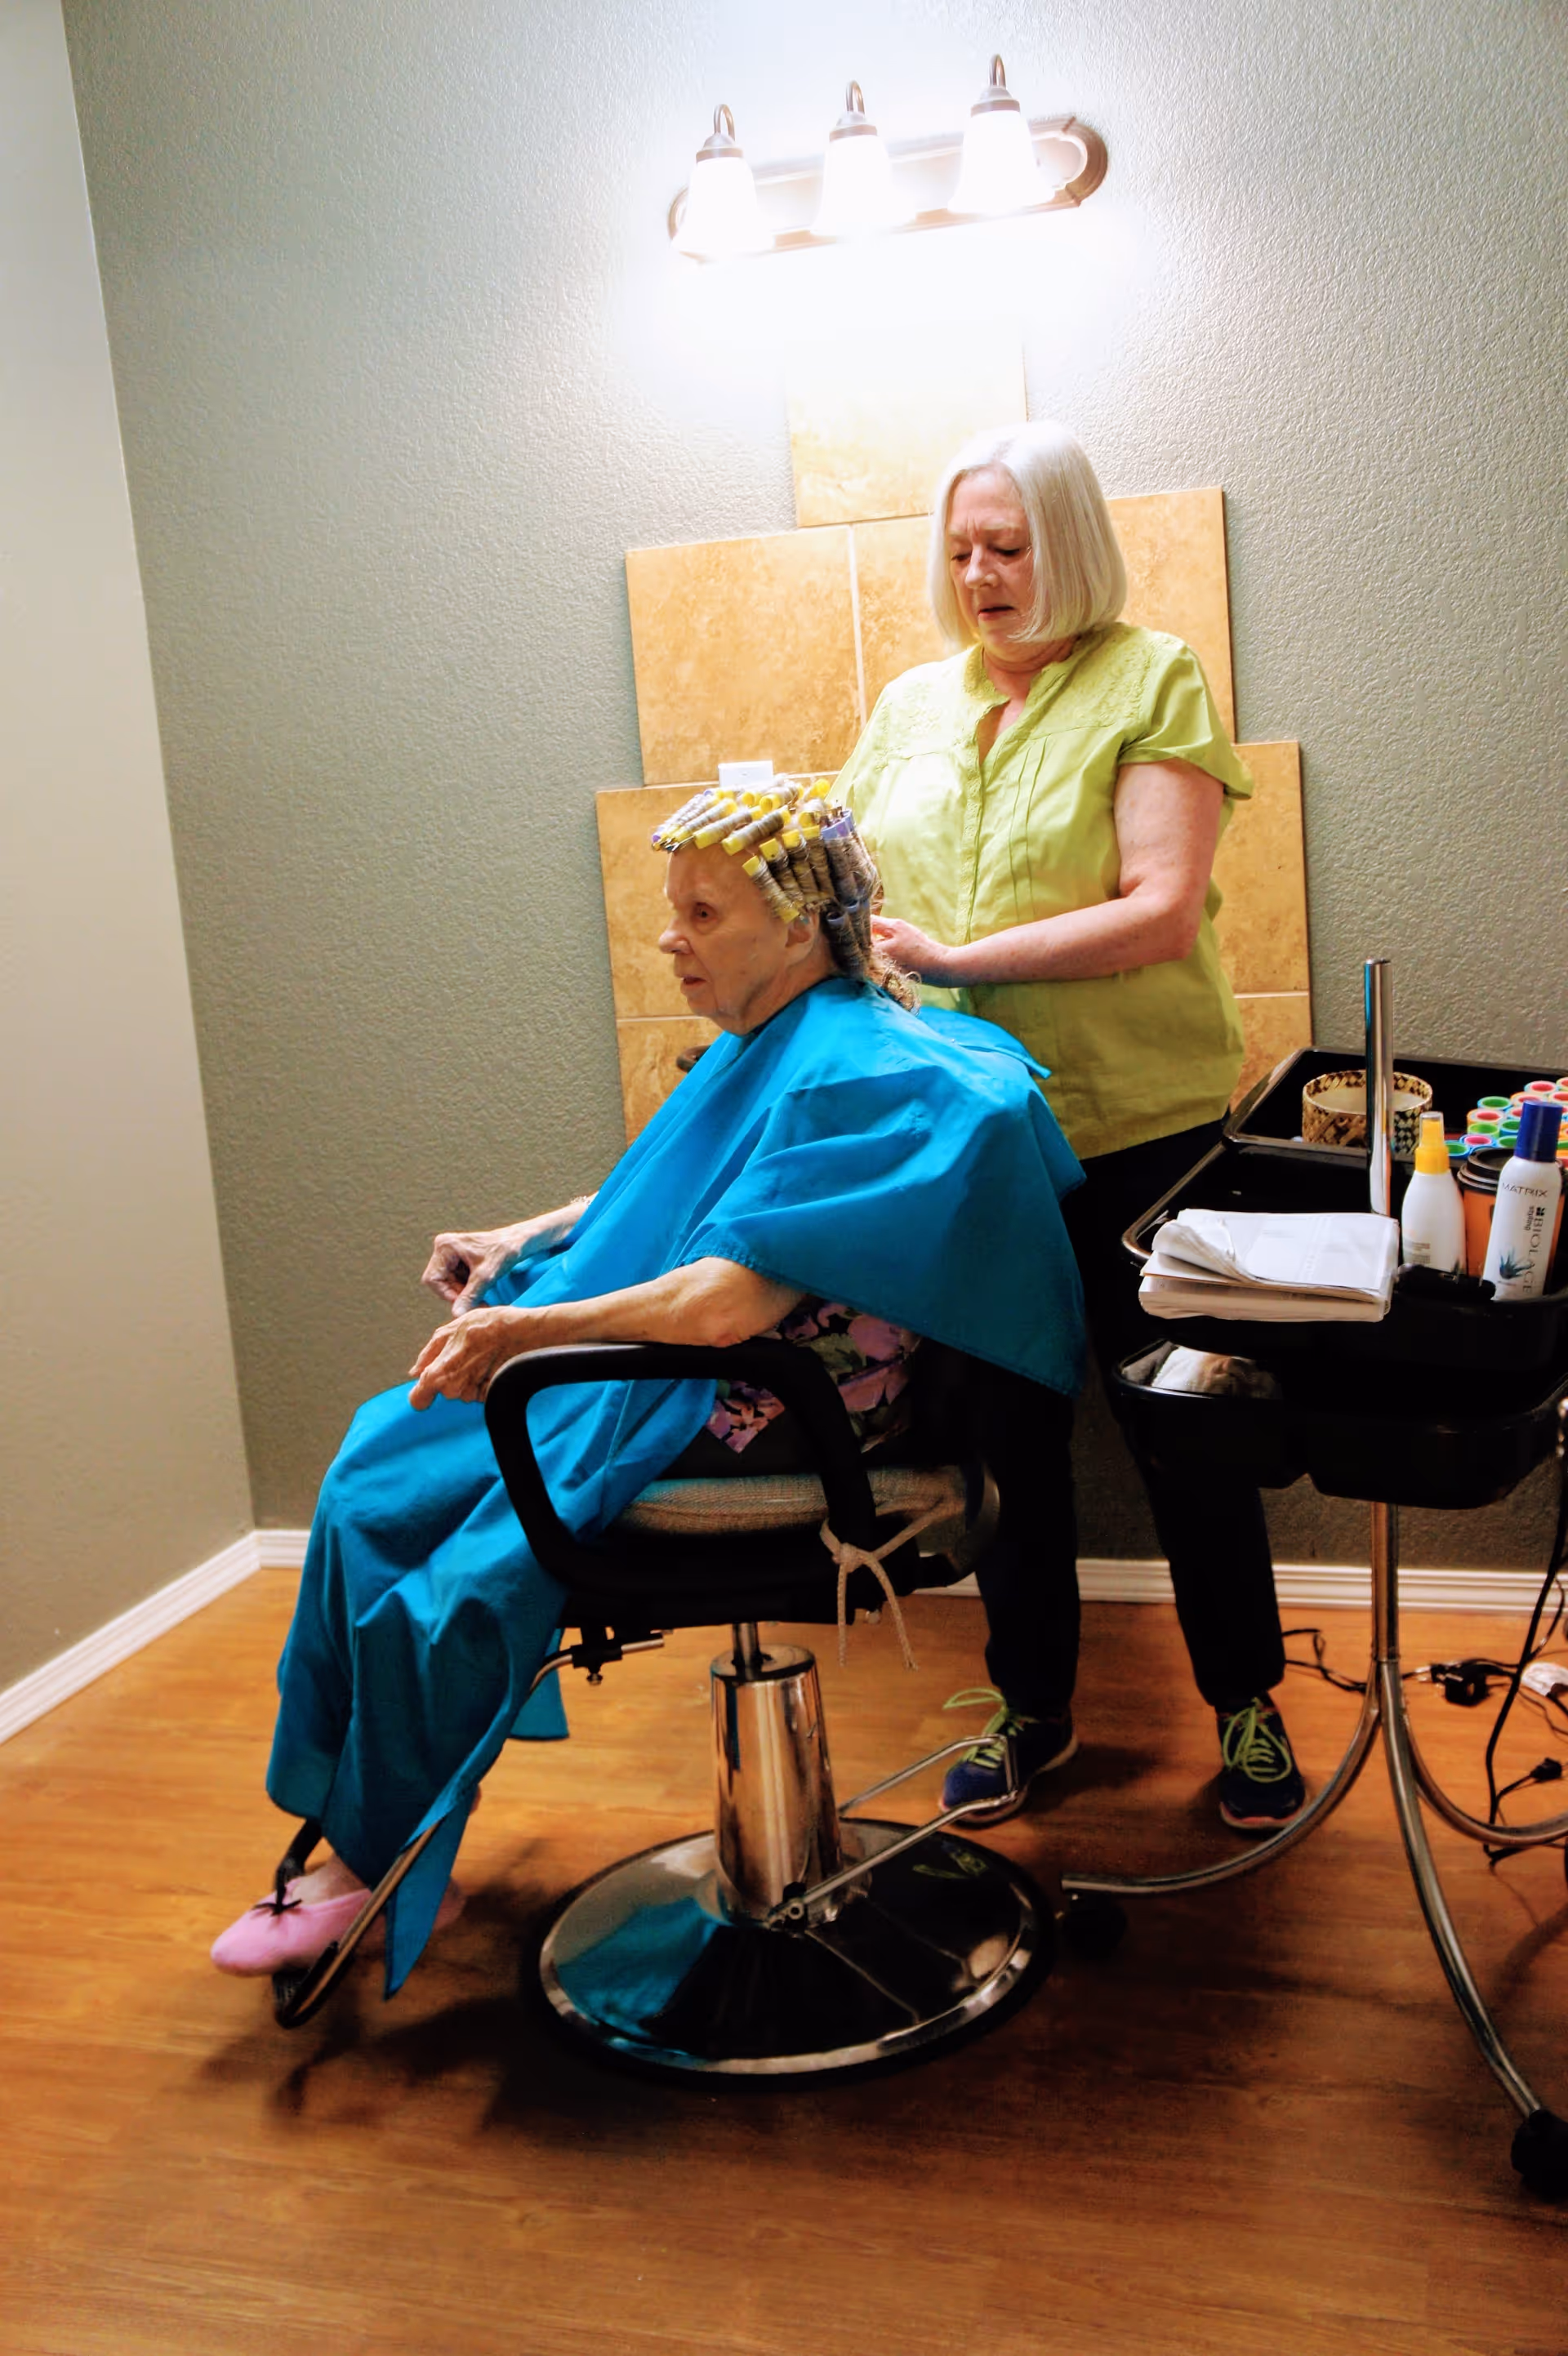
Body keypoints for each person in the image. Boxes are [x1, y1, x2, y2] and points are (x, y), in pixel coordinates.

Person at [211, 788, 1086, 1995]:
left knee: (458, 1568)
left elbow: (728, 1301)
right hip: (708, 1375)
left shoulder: (869, 1073)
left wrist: (524, 1335)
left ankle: (376, 1846)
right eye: (671, 910)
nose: (669, 937)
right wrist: (524, 1238)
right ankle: (367, 1822)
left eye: (701, 912)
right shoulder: (787, 1039)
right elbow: (684, 1189)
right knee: (376, 1468)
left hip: (760, 1412)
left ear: (795, 927)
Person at [838, 419, 1306, 1834]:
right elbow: (848, 889)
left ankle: (1247, 1710)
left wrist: (963, 961)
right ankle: (1033, 1708)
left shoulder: (1151, 677)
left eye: (1010, 546)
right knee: (1005, 1442)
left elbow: (1161, 907)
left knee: (1187, 1430)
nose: (981, 574)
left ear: (1071, 547)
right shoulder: (908, 708)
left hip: (1137, 1133)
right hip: (971, 1146)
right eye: (962, 549)